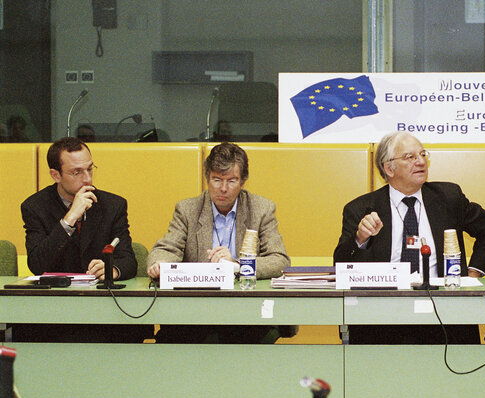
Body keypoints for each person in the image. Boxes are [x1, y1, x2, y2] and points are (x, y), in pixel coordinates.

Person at [333, 131, 485, 344]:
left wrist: (474, 273)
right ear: (388, 168)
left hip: (445, 311)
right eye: (409, 157)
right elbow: (340, 264)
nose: (421, 162)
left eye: (422, 154)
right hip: (381, 316)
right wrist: (360, 238)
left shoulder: (448, 197)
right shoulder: (360, 209)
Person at [147, 141, 291, 343]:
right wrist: (160, 264)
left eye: (231, 181)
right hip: (196, 312)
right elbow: (166, 248)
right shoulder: (187, 210)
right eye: (217, 180)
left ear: (243, 181)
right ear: (207, 178)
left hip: (245, 312)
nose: (223, 188)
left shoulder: (261, 209)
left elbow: (280, 260)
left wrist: (238, 265)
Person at [17, 137, 145, 342]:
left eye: (90, 169)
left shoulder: (113, 206)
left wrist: (112, 269)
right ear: (55, 175)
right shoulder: (35, 207)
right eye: (76, 172)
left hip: (102, 312)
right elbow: (37, 264)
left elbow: (129, 261)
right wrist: (69, 219)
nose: (87, 179)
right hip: (54, 314)